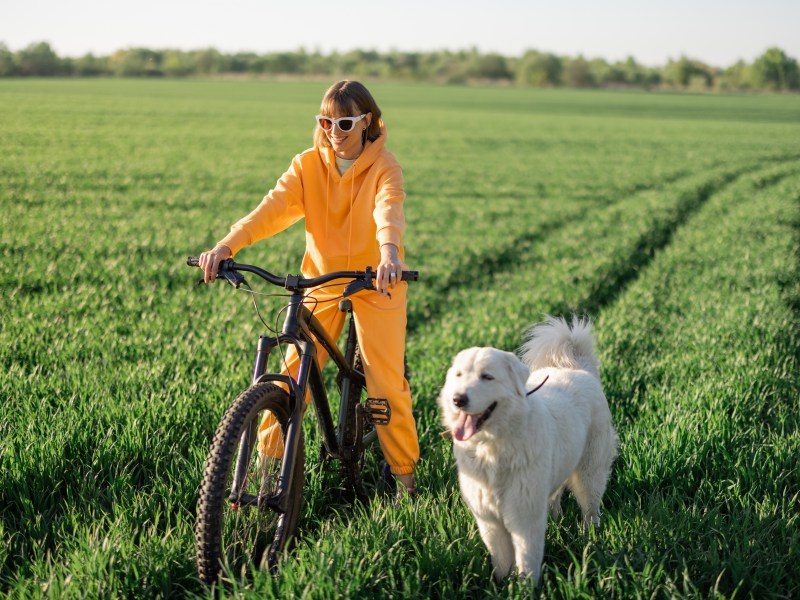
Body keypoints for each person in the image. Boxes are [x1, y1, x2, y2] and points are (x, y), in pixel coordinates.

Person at [198, 80, 418, 497]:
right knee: (290, 372)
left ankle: (405, 481)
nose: (335, 131)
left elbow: (388, 209)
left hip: (377, 281)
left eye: (346, 122)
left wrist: (389, 254)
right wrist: (226, 246)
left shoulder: (385, 167)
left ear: (367, 120)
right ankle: (264, 476)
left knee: (385, 383)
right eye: (326, 121)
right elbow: (271, 209)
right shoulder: (307, 166)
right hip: (323, 279)